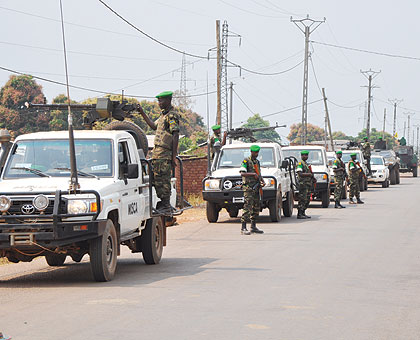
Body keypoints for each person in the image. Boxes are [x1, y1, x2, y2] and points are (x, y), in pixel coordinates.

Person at [138, 90, 179, 212]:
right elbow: (152, 125)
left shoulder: (172, 116)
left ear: (168, 100)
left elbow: (175, 134)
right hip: (157, 153)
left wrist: (173, 156)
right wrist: (142, 112)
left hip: (164, 154)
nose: (159, 103)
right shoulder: (163, 116)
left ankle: (166, 205)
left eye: (161, 100)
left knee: (163, 179)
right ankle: (163, 204)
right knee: (156, 179)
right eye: (158, 101)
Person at [239, 145, 265, 235]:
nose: (256, 154)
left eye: (257, 152)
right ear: (251, 152)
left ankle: (253, 226)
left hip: (256, 187)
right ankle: (243, 227)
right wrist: (252, 174)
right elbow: (242, 173)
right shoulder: (246, 161)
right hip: (249, 188)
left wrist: (262, 181)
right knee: (247, 206)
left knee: (256, 207)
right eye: (255, 152)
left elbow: (259, 174)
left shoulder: (257, 162)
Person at [296, 150, 316, 219]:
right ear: (301, 156)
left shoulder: (306, 164)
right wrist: (309, 174)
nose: (305, 156)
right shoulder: (300, 164)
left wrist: (312, 178)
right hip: (303, 184)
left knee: (307, 199)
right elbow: (300, 173)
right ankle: (300, 213)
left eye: (306, 155)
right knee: (302, 199)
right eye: (304, 155)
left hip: (308, 184)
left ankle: (303, 212)